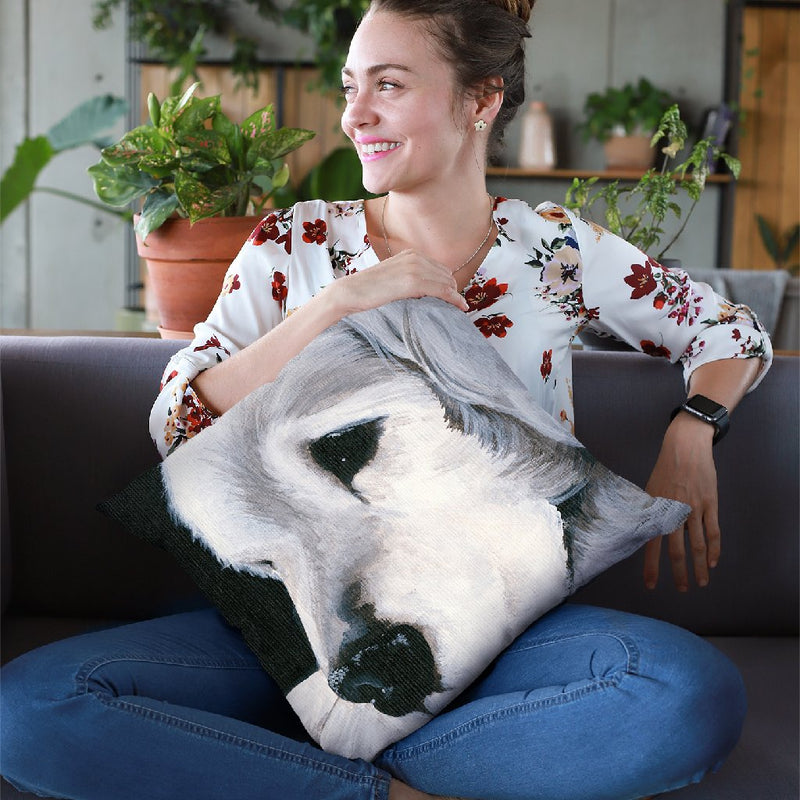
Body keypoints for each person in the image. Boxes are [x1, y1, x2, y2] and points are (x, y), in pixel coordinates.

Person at [1, 1, 772, 799]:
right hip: (290, 639)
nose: (354, 115)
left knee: (683, 693)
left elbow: (729, 332)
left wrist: (692, 431)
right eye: (351, 87)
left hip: (507, 632)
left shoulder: (556, 249)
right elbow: (177, 421)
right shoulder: (292, 244)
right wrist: (335, 305)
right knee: (31, 709)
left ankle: (311, 773)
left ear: (481, 99)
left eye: (390, 85)